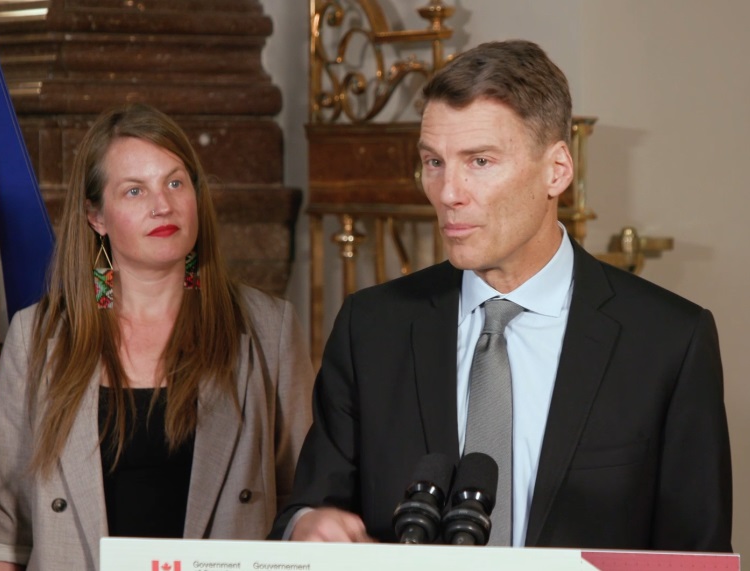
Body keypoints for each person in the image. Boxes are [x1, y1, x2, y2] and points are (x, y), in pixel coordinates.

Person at [269, 40, 733, 551]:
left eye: (480, 161)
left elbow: (696, 553)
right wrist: (306, 524)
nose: (448, 192)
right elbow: (308, 508)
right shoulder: (371, 328)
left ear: (557, 170)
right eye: (433, 162)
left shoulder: (669, 341)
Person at [0, 103, 314, 571]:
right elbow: (3, 535)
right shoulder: (36, 337)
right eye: (135, 190)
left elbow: (303, 505)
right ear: (96, 216)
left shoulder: (268, 328)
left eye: (175, 183)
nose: (162, 205)